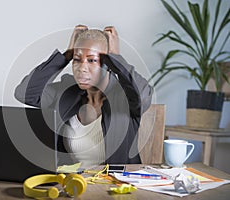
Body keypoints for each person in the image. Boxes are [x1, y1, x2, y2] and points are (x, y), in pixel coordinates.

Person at [15, 25, 153, 168]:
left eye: (92, 60)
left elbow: (143, 97)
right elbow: (25, 93)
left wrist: (116, 57)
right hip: (73, 184)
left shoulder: (125, 97)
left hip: (116, 186)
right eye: (77, 59)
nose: (81, 68)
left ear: (108, 64)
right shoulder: (67, 92)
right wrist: (66, 55)